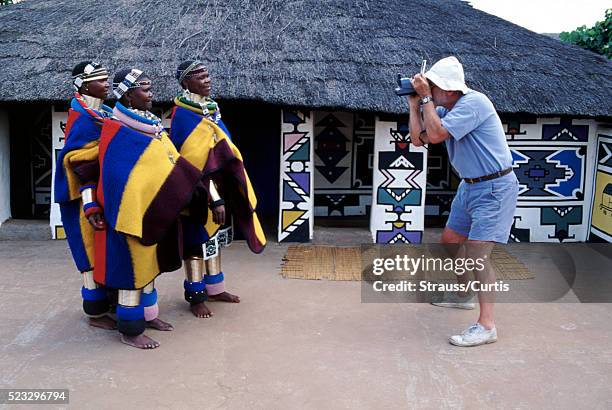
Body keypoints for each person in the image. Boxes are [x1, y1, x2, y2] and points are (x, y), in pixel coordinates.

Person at [409, 56, 519, 347]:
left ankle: (487, 326)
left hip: (495, 186)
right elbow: (419, 139)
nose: (429, 91)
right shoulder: (445, 109)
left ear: (447, 88)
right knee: (450, 240)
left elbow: (436, 133)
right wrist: (413, 104)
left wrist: (424, 99)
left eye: (432, 87)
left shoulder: (475, 103)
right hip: (469, 187)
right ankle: (462, 295)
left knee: (477, 256)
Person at [94, 68, 207, 349]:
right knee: (132, 272)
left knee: (150, 265)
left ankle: (147, 316)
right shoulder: (117, 130)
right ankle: (130, 329)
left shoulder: (151, 125)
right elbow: (118, 176)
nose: (151, 92)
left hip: (155, 211)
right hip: (132, 213)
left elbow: (171, 161)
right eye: (144, 88)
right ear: (129, 95)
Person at [169, 60, 266, 318]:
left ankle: (215, 287)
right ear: (186, 82)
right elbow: (195, 163)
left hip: (219, 188)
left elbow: (222, 149)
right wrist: (213, 197)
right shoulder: (183, 116)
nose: (207, 80)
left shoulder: (211, 109)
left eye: (207, 75)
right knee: (195, 243)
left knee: (215, 240)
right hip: (197, 193)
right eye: (200, 77)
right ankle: (196, 296)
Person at [54, 61, 115, 330]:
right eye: (101, 80)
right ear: (84, 84)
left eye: (107, 79)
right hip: (82, 198)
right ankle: (95, 312)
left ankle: (111, 300)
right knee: (88, 251)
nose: (107, 84)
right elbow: (76, 160)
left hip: (104, 192)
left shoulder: (106, 113)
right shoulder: (82, 119)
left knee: (105, 247)